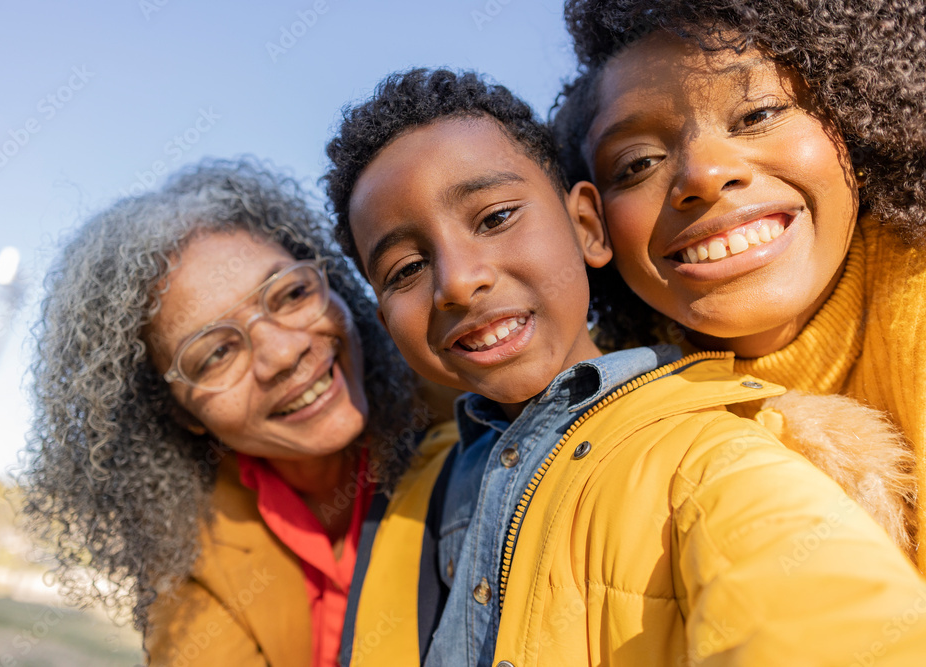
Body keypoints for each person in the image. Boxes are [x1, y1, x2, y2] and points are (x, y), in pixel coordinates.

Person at [322, 68, 926, 666]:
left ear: (586, 226)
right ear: (384, 319)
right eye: (405, 269)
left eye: (496, 217)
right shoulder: (413, 482)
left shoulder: (710, 456)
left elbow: (840, 623)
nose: (457, 281)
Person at [19, 158, 454, 666]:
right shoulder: (189, 558)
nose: (284, 354)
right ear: (181, 412)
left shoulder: (476, 416)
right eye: (216, 353)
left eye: (291, 293)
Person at [552, 0, 926, 571]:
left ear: (853, 119)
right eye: (637, 163)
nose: (703, 173)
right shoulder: (603, 433)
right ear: (591, 224)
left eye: (757, 115)